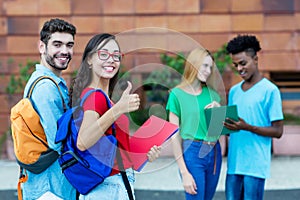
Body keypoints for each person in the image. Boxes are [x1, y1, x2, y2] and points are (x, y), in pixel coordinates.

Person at [69, 33, 161, 200]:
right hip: (108, 187)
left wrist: (145, 154)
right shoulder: (94, 96)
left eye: (116, 55)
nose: (111, 60)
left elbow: (113, 149)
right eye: (103, 54)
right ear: (89, 60)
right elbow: (83, 142)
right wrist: (118, 109)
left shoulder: (105, 99)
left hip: (115, 184)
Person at [22, 18, 77, 199]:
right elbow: (58, 140)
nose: (64, 51)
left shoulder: (49, 82)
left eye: (69, 45)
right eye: (57, 44)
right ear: (42, 47)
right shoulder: (46, 87)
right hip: (50, 189)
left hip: (50, 186)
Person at [224, 34, 284, 200]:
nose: (239, 69)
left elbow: (278, 131)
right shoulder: (234, 91)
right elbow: (232, 128)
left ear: (255, 59)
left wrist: (248, 127)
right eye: (235, 65)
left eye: (243, 63)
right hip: (234, 165)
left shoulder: (270, 90)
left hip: (255, 166)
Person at [166, 47, 223, 200]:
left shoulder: (213, 95)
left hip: (214, 152)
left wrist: (219, 113)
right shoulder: (176, 95)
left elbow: (216, 131)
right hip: (192, 152)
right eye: (205, 65)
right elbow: (174, 136)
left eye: (210, 67)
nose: (208, 70)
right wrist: (184, 172)